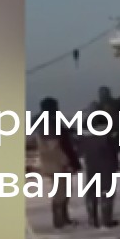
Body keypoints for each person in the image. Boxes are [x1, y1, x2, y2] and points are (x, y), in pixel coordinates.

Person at [34, 97, 81, 229]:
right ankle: (60, 221)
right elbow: (54, 147)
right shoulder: (47, 124)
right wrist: (66, 162)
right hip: (57, 164)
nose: (57, 109)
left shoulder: (47, 122)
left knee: (65, 191)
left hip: (55, 163)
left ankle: (63, 219)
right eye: (55, 106)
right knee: (61, 192)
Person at [76, 107, 120, 228]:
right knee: (107, 191)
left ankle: (92, 219)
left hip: (91, 164)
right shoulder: (108, 134)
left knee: (91, 191)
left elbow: (79, 150)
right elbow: (116, 148)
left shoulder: (84, 136)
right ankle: (106, 220)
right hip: (107, 165)